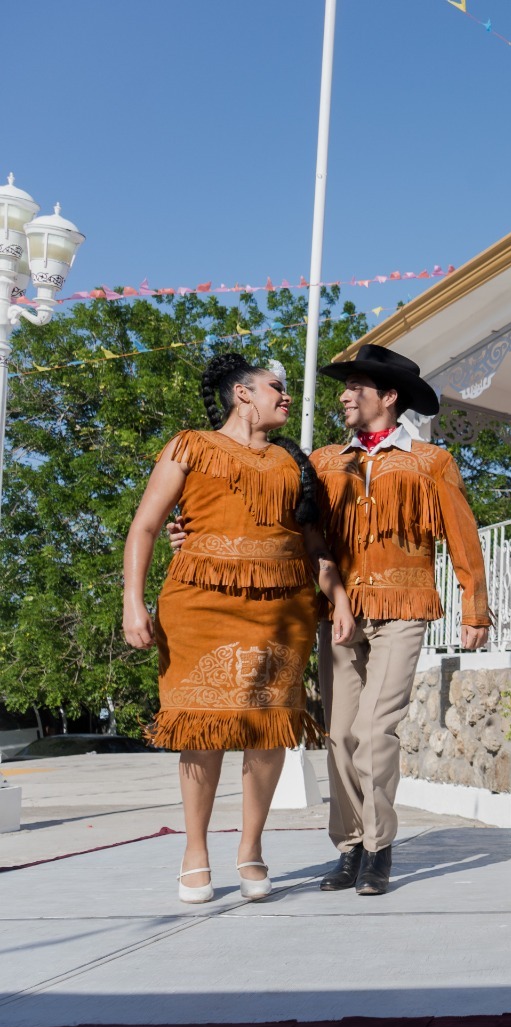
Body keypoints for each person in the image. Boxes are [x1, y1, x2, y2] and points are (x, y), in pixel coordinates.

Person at [124, 352, 355, 904]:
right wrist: (133, 602)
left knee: (268, 728)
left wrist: (339, 598)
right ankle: (195, 850)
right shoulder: (191, 445)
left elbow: (316, 546)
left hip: (282, 608)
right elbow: (147, 524)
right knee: (200, 726)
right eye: (276, 387)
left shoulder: (293, 464)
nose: (286, 396)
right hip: (197, 604)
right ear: (242, 394)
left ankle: (251, 846)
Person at [309, 344, 490, 894]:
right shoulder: (323, 461)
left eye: (355, 387)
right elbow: (296, 532)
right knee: (339, 733)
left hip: (404, 607)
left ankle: (377, 847)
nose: (343, 395)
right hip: (338, 611)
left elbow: (462, 535)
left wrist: (474, 606)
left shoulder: (430, 462)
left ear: (388, 397)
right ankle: (348, 844)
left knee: (373, 729)